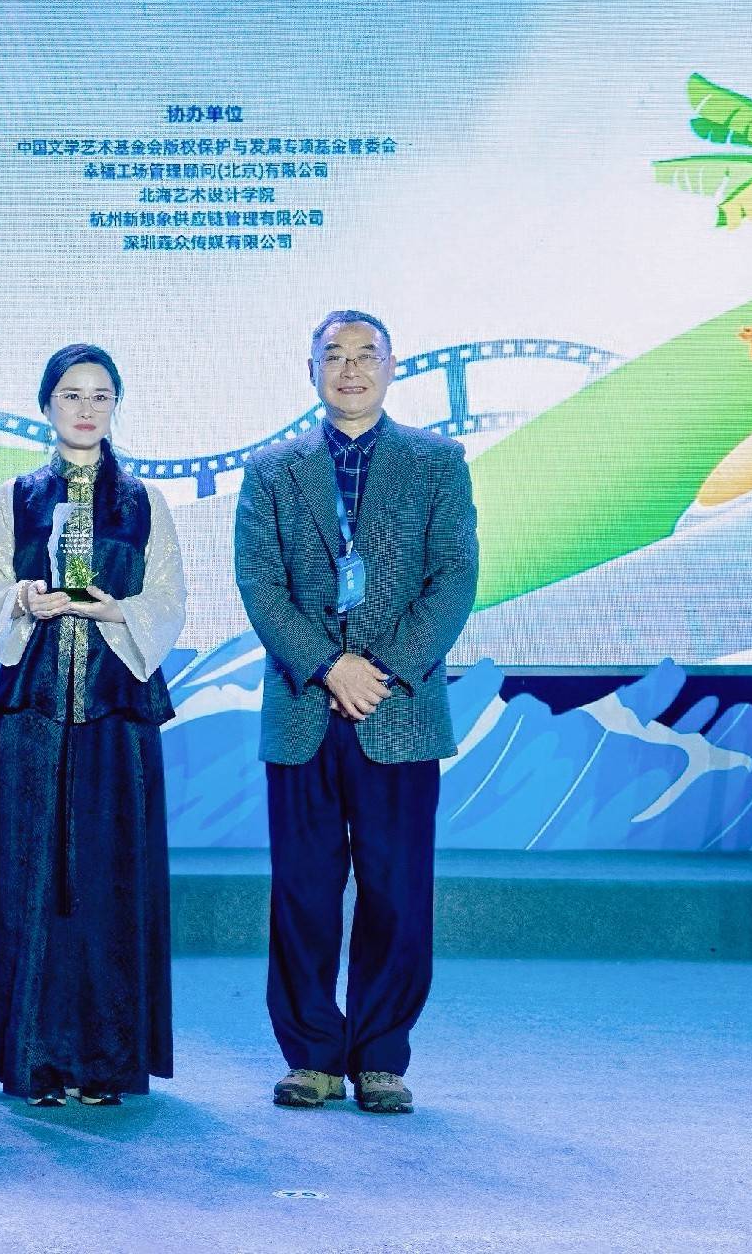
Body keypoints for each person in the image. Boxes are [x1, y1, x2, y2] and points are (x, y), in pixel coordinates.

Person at [234, 310, 478, 1115]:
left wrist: (382, 669)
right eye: (333, 356)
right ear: (310, 370)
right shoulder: (272, 470)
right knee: (303, 894)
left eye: (365, 355)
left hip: (399, 709)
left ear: (391, 366)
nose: (350, 369)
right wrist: (327, 665)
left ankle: (380, 1057)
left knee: (396, 894)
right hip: (303, 706)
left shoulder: (437, 463)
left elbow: (454, 579)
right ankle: (311, 1055)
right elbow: (261, 584)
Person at [0, 345, 186, 1105]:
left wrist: (116, 609)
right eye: (72, 395)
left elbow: (169, 600)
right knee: (31, 878)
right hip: (36, 710)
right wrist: (22, 599)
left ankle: (104, 1062)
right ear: (47, 405)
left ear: (115, 406)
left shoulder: (144, 502)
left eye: (101, 396)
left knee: (111, 882)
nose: (86, 409)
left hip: (117, 713)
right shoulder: (15, 497)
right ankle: (35, 1057)